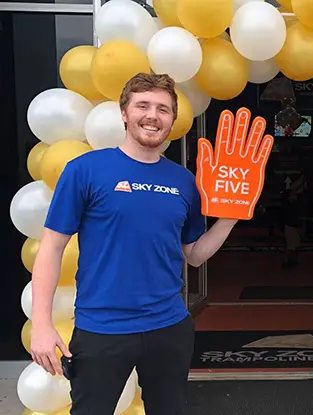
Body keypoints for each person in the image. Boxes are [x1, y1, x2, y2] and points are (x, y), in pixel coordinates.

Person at [29, 73, 238, 415]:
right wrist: (41, 323)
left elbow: (195, 255)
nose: (152, 116)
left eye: (163, 109)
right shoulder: (86, 170)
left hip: (169, 327)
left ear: (172, 120)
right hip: (101, 330)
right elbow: (51, 247)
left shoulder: (184, 181)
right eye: (143, 105)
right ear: (124, 113)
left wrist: (230, 218)